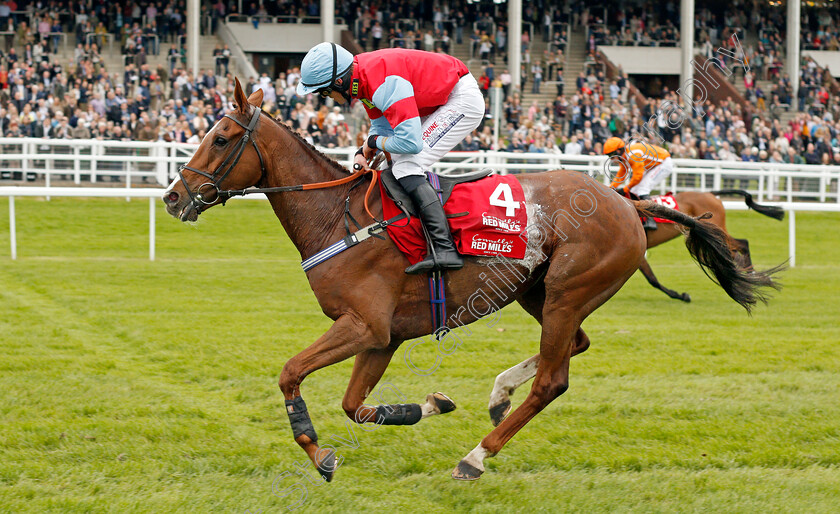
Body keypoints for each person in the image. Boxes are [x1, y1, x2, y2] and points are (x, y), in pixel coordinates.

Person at [297, 42, 485, 274]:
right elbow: (381, 126)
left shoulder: (382, 83)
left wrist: (372, 143)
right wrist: (363, 150)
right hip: (444, 98)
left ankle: (444, 248)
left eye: (323, 91)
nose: (327, 98)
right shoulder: (361, 80)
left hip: (461, 100)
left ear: (338, 82)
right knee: (389, 164)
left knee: (407, 165)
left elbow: (410, 143)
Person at [603, 137, 673, 230]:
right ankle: (638, 218)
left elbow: (638, 176)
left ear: (619, 150)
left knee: (642, 189)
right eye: (609, 156)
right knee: (635, 190)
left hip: (664, 163)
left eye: (612, 155)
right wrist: (611, 187)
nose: (611, 159)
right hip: (654, 164)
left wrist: (625, 188)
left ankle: (651, 219)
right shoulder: (624, 156)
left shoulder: (633, 154)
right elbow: (622, 173)